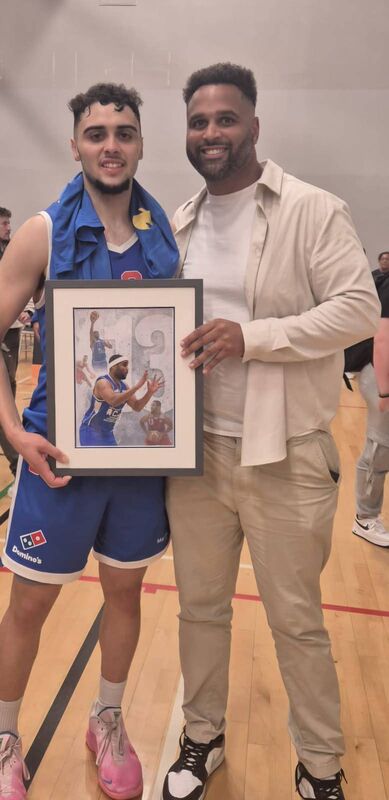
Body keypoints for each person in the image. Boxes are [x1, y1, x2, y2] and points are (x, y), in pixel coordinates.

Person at [162, 63, 380, 800]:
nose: (211, 133)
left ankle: (320, 767)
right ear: (187, 134)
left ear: (253, 126)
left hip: (284, 453)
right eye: (198, 122)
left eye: (225, 119)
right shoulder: (178, 222)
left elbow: (355, 311)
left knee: (297, 624)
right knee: (198, 610)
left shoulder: (311, 211)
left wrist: (251, 337)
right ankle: (201, 738)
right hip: (195, 456)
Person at [0, 82, 178, 800]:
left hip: (139, 462)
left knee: (125, 595)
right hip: (57, 461)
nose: (111, 145)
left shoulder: (167, 233)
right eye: (97, 133)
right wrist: (13, 431)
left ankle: (106, 719)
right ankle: (6, 734)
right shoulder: (40, 232)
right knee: (31, 606)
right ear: (75, 143)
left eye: (124, 132)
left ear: (140, 142)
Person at [353, 271, 389, 546]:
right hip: (380, 375)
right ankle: (365, 518)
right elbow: (383, 340)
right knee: (380, 448)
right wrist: (385, 390)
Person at [0, 207, 34, 487]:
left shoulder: (13, 250)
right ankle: (15, 462)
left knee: (8, 388)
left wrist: (25, 311)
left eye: (9, 221)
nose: (8, 227)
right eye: (3, 223)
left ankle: (16, 463)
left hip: (10, 332)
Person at [79, 354, 163, 446]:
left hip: (108, 433)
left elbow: (137, 406)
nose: (127, 368)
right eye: (124, 365)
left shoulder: (124, 386)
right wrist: (137, 386)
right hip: (91, 430)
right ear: (113, 366)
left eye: (127, 366)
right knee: (96, 460)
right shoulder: (103, 382)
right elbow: (113, 401)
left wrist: (149, 393)